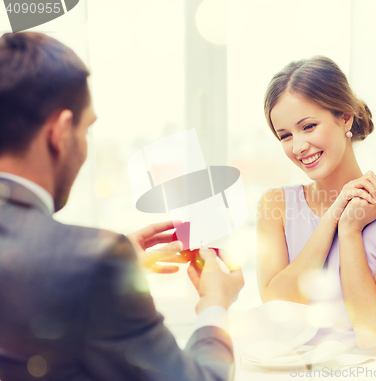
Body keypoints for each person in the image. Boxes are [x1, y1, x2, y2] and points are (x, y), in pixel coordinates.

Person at [0, 32, 243, 380]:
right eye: (86, 130)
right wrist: (215, 307)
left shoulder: (87, 261)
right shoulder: (93, 263)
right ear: (60, 131)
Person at [257, 56, 376, 355]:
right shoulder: (276, 205)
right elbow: (277, 315)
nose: (297, 147)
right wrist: (333, 216)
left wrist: (350, 230)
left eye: (308, 126)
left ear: (345, 117)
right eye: (285, 136)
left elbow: (370, 333)